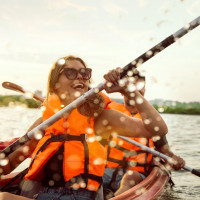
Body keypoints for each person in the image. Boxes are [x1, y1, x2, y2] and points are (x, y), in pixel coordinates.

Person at [0, 55, 168, 200]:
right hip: (44, 195)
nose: (80, 77)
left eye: (85, 73)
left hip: (81, 196)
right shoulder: (45, 123)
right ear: (55, 83)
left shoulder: (101, 118)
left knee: (4, 197)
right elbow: (9, 163)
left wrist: (128, 91)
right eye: (70, 73)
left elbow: (157, 129)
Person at [102, 69, 185, 198]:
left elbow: (166, 153)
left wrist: (175, 160)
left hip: (136, 175)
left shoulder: (151, 120)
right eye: (133, 86)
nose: (138, 91)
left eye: (141, 87)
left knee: (131, 177)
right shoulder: (109, 111)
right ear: (124, 88)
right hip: (105, 171)